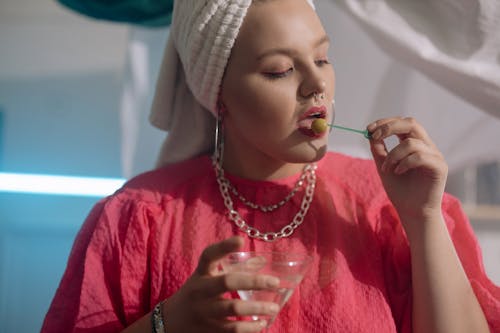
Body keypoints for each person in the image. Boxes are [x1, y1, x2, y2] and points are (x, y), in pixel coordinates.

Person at [41, 0, 500, 332]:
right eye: (280, 70)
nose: (317, 83)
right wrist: (169, 323)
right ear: (218, 96)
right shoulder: (136, 216)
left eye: (322, 58)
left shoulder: (386, 206)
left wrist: (422, 220)